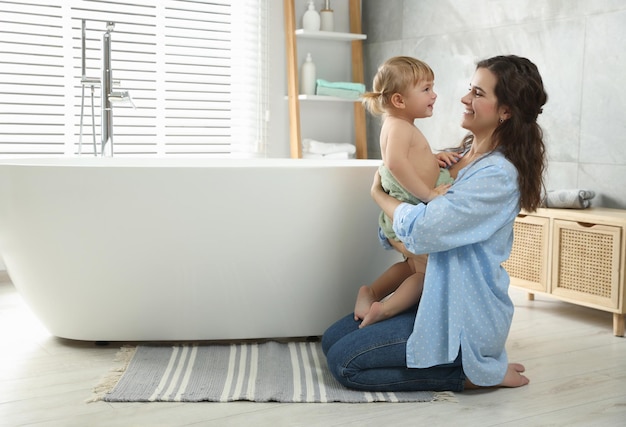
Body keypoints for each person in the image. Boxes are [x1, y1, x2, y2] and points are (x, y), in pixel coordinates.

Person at [322, 55, 547, 392]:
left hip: (460, 314)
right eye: (470, 89)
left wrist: (378, 195)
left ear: (506, 111)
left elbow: (423, 231)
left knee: (346, 364)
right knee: (332, 340)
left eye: (478, 94)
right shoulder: (461, 155)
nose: (464, 99)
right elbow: (411, 223)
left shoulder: (497, 175)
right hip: (431, 294)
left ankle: (470, 371)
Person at [356, 56, 454, 328]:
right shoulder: (400, 126)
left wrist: (434, 158)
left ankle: (371, 291)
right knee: (425, 274)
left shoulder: (400, 125)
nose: (433, 95)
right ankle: (384, 308)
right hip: (407, 211)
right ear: (399, 100)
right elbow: (397, 163)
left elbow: (411, 159)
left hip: (402, 212)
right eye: (426, 89)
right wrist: (428, 194)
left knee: (412, 266)